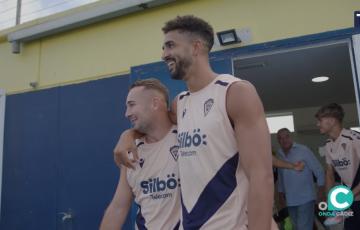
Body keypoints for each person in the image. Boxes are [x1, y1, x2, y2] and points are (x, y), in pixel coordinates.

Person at [114, 15, 278, 229]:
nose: (164, 54)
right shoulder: (179, 104)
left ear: (196, 47)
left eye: (170, 45)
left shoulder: (235, 92)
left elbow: (261, 176)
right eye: (163, 48)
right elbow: (152, 125)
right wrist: (128, 135)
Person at [100, 79, 181, 229]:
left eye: (132, 105)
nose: (126, 113)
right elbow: (118, 207)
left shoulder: (187, 137)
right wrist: (128, 134)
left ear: (155, 103)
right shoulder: (131, 152)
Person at [315, 103, 360, 229]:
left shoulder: (354, 139)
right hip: (352, 201)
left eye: (320, 120)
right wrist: (331, 203)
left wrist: (348, 197)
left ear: (332, 120)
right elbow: (329, 174)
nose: (317, 124)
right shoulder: (328, 144)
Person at [276, 128, 325, 230]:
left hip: (306, 198)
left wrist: (321, 190)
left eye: (286, 136)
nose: (284, 140)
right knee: (296, 227)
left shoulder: (303, 150)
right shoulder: (279, 154)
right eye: (280, 138)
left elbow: (318, 170)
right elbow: (280, 176)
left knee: (303, 227)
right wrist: (280, 194)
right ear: (278, 141)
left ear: (291, 137)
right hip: (290, 200)